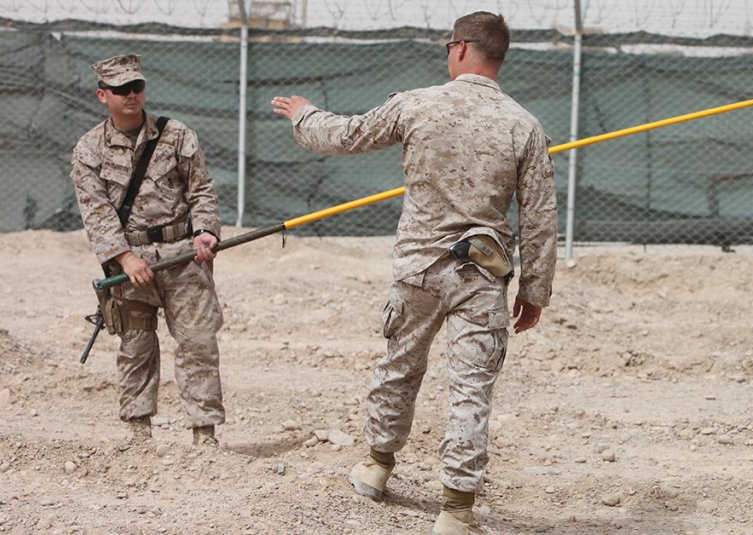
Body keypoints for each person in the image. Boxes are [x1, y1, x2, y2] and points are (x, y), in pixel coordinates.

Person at [272, 11, 557, 535]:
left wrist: (303, 114)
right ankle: (456, 509)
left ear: (461, 48)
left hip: (418, 269)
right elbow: (540, 216)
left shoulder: (417, 104)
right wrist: (535, 289)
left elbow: (344, 136)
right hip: (482, 276)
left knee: (400, 368)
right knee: (471, 389)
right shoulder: (524, 125)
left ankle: (376, 467)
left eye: (449, 46)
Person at [71, 54, 226, 448]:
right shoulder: (89, 149)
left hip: (183, 257)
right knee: (136, 346)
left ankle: (204, 434)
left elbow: (202, 190)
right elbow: (96, 212)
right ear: (102, 95)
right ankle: (139, 434)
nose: (131, 94)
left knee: (198, 343)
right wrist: (125, 258)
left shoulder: (177, 135)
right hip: (130, 264)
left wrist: (205, 232)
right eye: (121, 89)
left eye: (136, 86)